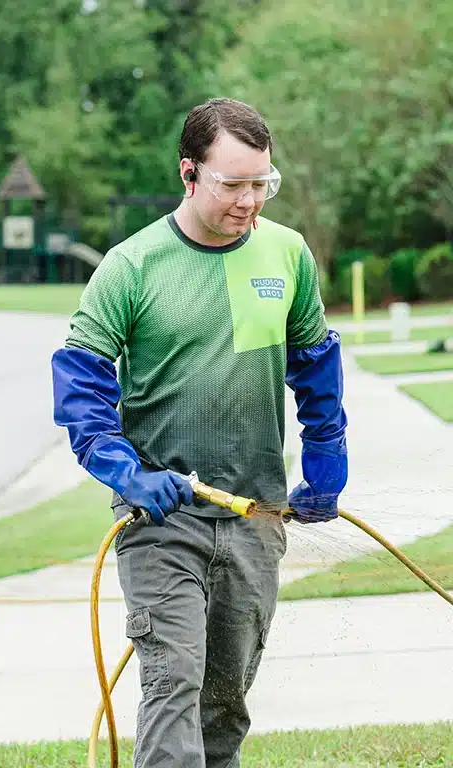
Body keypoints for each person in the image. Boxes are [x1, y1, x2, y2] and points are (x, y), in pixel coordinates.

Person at [50, 97, 348, 767]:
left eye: (261, 184)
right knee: (172, 679)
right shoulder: (133, 267)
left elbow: (314, 367)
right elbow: (81, 389)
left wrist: (327, 458)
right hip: (164, 516)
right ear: (189, 173)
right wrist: (129, 475)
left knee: (224, 699)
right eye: (232, 184)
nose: (250, 201)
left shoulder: (286, 255)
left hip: (256, 513)